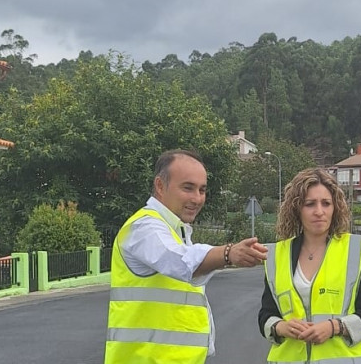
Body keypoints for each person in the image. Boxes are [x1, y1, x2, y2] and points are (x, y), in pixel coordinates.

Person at [105, 148, 268, 364]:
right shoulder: (144, 227)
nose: (197, 198)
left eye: (202, 190)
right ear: (160, 186)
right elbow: (181, 261)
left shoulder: (176, 231)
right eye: (188, 188)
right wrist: (228, 253)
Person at [258, 168, 361, 363]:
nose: (319, 211)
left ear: (335, 208)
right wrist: (279, 327)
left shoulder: (356, 249)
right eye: (310, 204)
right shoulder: (276, 255)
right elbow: (267, 313)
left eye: (326, 203)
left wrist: (335, 327)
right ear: (296, 208)